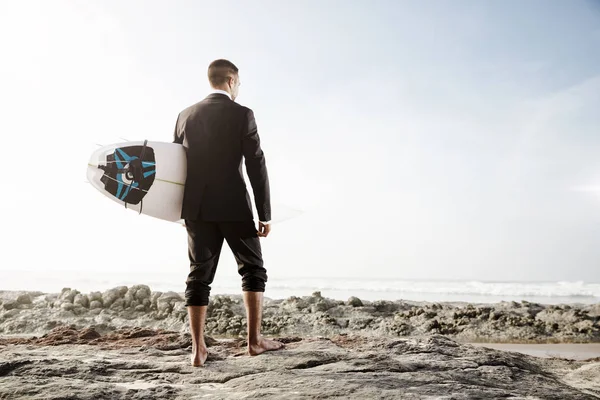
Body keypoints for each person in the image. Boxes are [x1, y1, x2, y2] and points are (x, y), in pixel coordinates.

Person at [173, 59, 284, 367]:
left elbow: (175, 167)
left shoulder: (185, 116)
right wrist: (264, 213)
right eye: (239, 83)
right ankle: (254, 342)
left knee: (198, 277)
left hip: (196, 208)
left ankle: (198, 350)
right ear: (232, 80)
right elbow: (255, 163)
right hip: (234, 205)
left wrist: (181, 211)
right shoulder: (242, 114)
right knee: (252, 269)